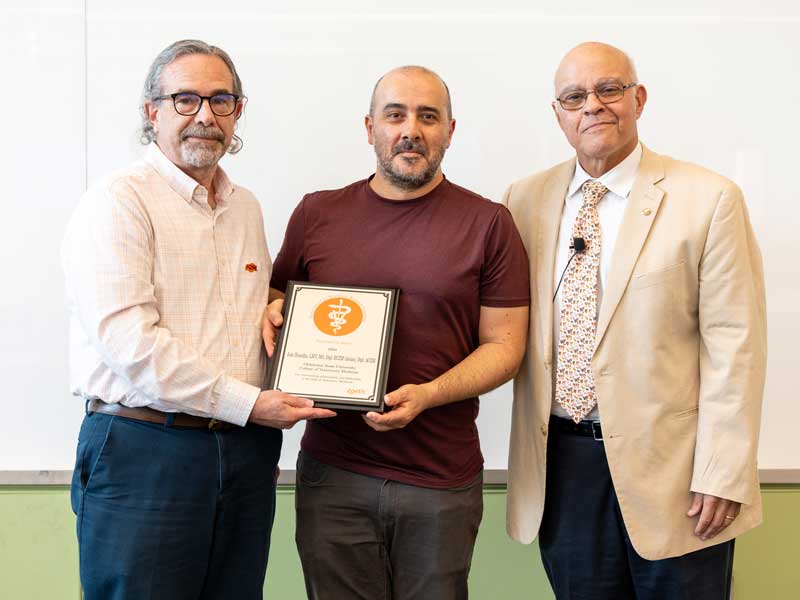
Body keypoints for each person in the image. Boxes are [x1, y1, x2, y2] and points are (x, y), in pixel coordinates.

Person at [61, 39, 334, 600]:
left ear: (238, 112)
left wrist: (277, 312)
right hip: (145, 450)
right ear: (152, 110)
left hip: (246, 453)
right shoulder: (118, 201)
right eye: (185, 99)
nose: (205, 115)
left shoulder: (246, 207)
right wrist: (251, 403)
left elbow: (232, 316)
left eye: (220, 99)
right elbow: (131, 343)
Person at [503, 41, 767, 599]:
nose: (592, 106)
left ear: (639, 98)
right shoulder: (522, 201)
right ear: (558, 114)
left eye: (609, 89)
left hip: (677, 476)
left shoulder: (709, 198)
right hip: (564, 468)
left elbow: (735, 346)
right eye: (574, 96)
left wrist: (722, 470)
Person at [267, 65, 530, 600]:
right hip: (333, 473)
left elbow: (506, 346)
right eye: (396, 115)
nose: (411, 130)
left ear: (450, 131)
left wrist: (429, 395)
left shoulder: (489, 224)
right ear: (370, 128)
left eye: (428, 116)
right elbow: (278, 298)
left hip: (440, 479)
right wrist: (273, 313)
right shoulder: (317, 213)